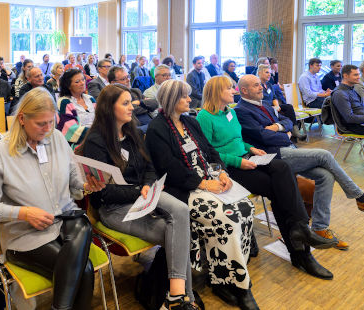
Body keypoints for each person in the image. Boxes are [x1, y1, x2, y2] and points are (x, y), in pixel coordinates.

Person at [0, 87, 105, 310]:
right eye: (41, 124)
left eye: (51, 122)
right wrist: (23, 213)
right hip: (25, 234)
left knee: (82, 238)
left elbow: (75, 183)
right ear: (22, 118)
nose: (48, 129)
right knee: (85, 271)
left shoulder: (57, 139)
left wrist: (87, 186)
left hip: (64, 221)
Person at [197, 76, 336, 281]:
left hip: (246, 157)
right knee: (279, 191)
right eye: (229, 88)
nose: (233, 90)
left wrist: (250, 148)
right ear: (217, 92)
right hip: (230, 169)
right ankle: (301, 250)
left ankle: (300, 233)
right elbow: (208, 153)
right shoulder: (204, 117)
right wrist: (239, 161)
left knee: (282, 168)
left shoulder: (230, 112)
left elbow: (237, 140)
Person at [234, 74, 364, 247]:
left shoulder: (265, 104)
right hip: (273, 156)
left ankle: (319, 228)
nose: (261, 87)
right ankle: (362, 198)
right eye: (255, 85)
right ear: (244, 90)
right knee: (324, 155)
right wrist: (283, 133)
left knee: (325, 175)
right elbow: (262, 136)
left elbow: (289, 121)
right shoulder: (241, 110)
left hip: (287, 149)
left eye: (260, 84)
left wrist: (278, 127)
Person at [79, 84, 199, 310]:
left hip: (143, 197)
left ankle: (176, 298)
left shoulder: (133, 131)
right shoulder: (96, 140)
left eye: (131, 102)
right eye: (125, 103)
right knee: (178, 232)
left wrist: (146, 185)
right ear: (108, 108)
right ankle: (184, 300)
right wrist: (140, 190)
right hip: (114, 208)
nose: (132, 107)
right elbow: (105, 191)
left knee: (181, 212)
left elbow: (150, 167)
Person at [145, 80, 258, 310]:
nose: (189, 100)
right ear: (171, 100)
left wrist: (222, 173)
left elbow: (210, 150)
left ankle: (224, 276)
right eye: (184, 97)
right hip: (185, 189)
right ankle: (238, 284)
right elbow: (169, 168)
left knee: (245, 207)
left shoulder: (189, 121)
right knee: (227, 217)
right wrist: (204, 184)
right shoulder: (157, 129)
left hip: (210, 180)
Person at [257, 66, 306, 140]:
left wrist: (277, 106)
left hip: (272, 106)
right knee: (285, 114)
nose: (269, 75)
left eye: (270, 73)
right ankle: (291, 133)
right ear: (259, 73)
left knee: (288, 107)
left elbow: (274, 97)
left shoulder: (269, 85)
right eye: (267, 72)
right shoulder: (257, 85)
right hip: (264, 108)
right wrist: (272, 108)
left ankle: (295, 131)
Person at [108, 66, 159, 132]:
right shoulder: (111, 96)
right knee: (157, 126)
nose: (128, 80)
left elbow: (154, 103)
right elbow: (129, 110)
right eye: (123, 79)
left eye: (128, 76)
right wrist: (146, 107)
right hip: (132, 129)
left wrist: (138, 103)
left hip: (149, 124)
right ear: (113, 83)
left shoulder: (135, 91)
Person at [56, 69, 95, 146]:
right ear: (68, 86)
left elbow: (101, 118)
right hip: (79, 143)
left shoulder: (90, 99)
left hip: (96, 138)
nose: (82, 83)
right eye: (77, 82)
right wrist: (97, 134)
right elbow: (71, 129)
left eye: (83, 80)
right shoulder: (65, 102)